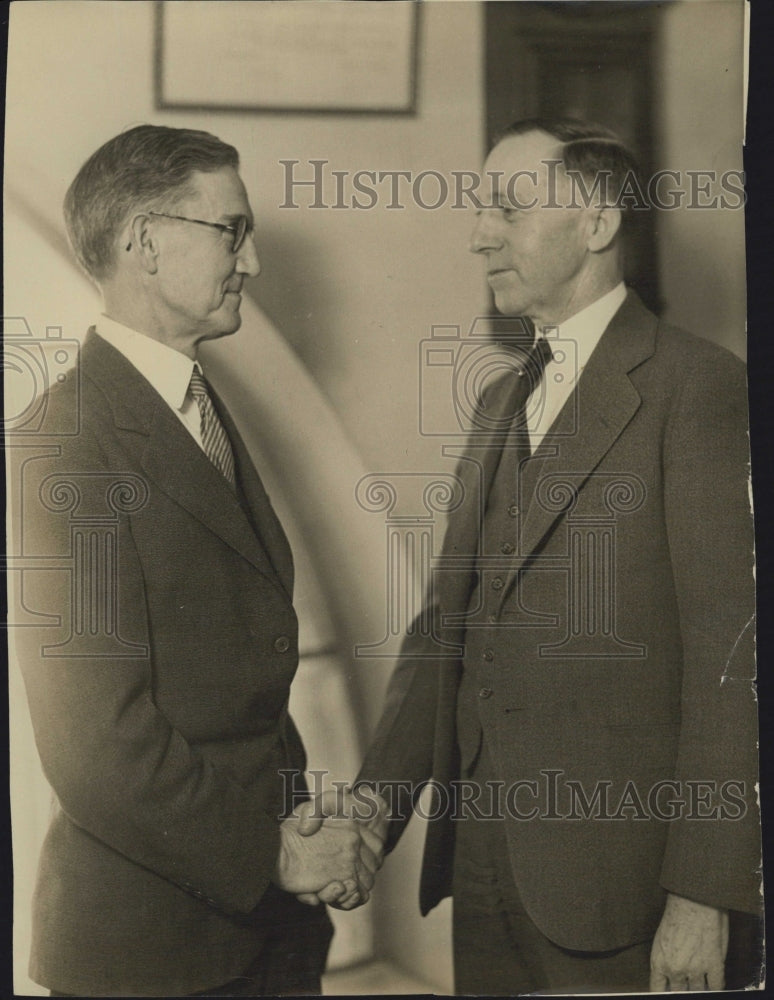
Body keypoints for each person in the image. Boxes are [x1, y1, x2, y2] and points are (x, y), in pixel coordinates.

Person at [307, 118, 761, 993]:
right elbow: (444, 629)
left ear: (597, 223)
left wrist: (704, 896)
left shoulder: (698, 386)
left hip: (628, 895)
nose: (480, 235)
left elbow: (732, 660)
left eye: (507, 209)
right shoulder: (499, 402)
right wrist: (372, 808)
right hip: (482, 874)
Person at [14, 124, 385, 998]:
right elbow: (95, 746)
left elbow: (239, 685)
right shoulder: (62, 445)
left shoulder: (197, 407)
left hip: (267, 936)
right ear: (146, 243)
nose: (251, 261)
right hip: (154, 953)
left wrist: (307, 835)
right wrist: (276, 855)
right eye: (232, 231)